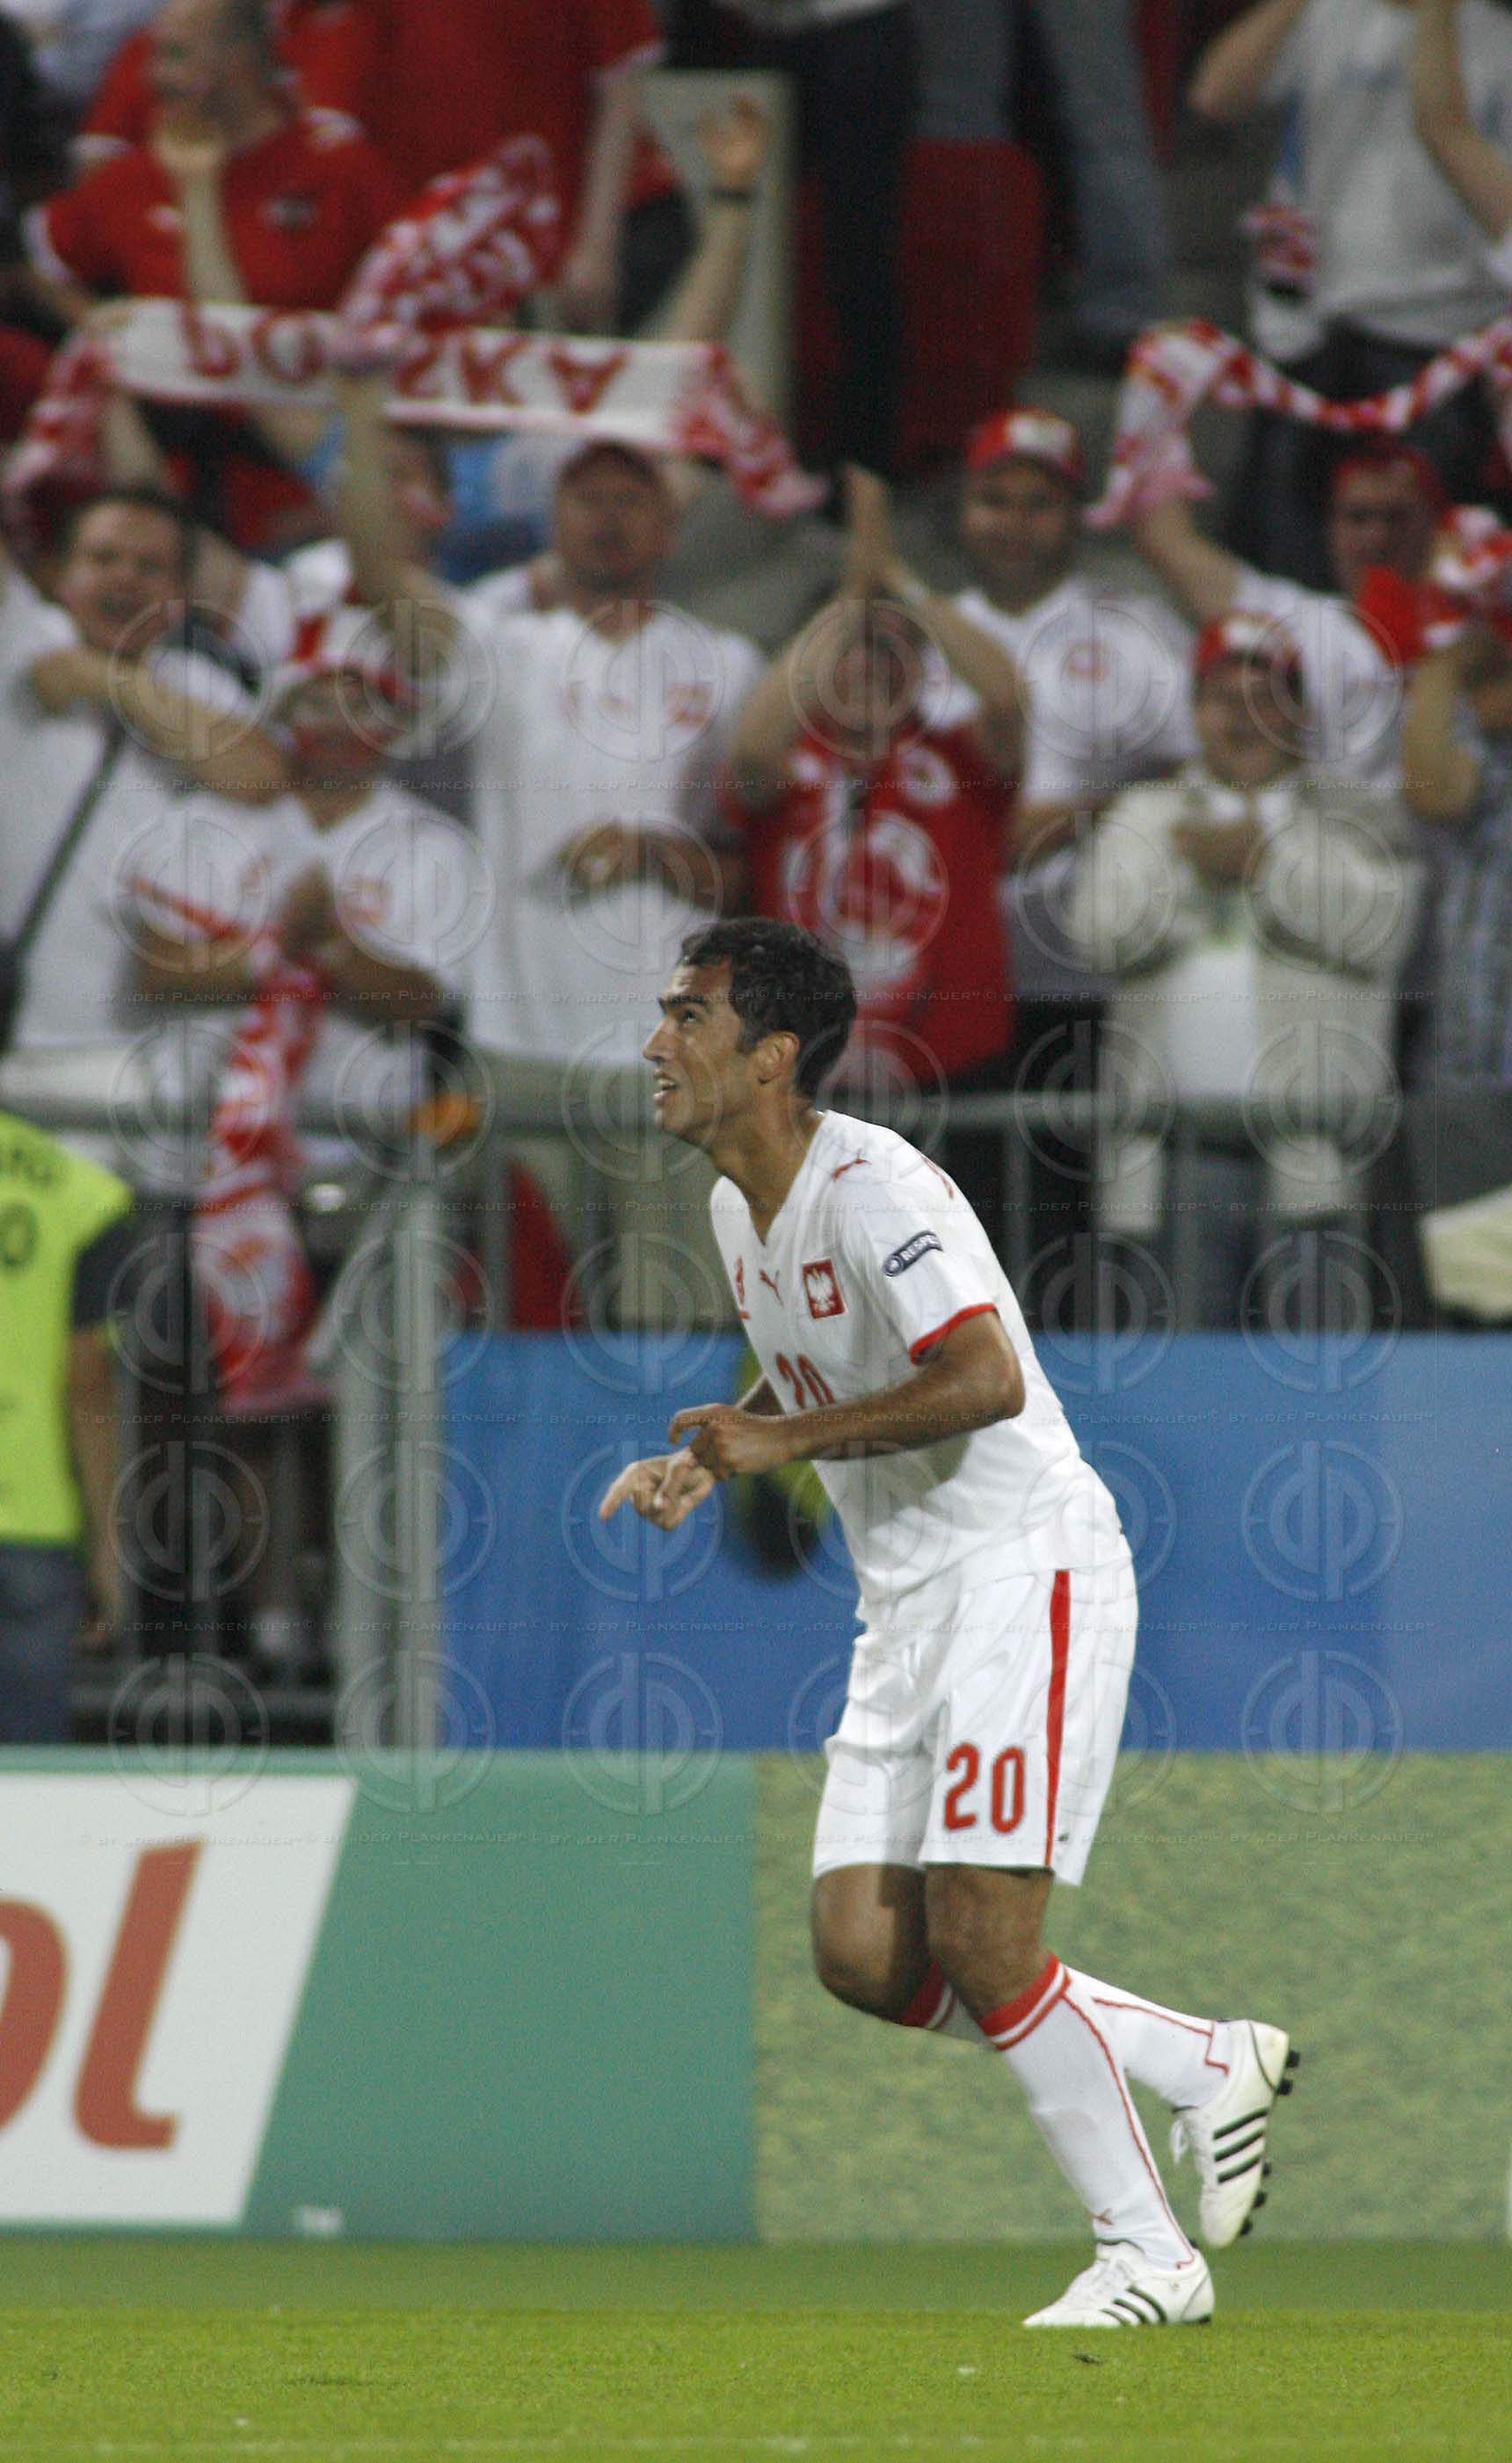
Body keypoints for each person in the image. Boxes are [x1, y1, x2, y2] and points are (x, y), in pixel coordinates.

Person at [601, 913, 1298, 2328]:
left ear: (772, 1054)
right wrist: (725, 1450)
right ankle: (1197, 2058)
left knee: (983, 1930)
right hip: (907, 1602)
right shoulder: (739, 1209)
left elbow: (983, 1377)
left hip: (1021, 1567)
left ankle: (1148, 2256)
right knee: (862, 1951)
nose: (657, 1042)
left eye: (688, 1016)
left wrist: (781, 1443)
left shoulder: (877, 1187)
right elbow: (814, 1373)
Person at [1066, 611, 1418, 1325]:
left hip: (1314, 1152)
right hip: (1176, 1152)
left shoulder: (1357, 815)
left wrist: (1266, 865)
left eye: (1267, 698)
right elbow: (1096, 934)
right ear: (1197, 711)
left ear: (1300, 712)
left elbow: (1383, 931)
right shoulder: (1144, 811)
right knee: (1184, 1373)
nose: (1244, 718)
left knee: (1317, 1368)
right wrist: (1193, 877)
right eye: (1225, 698)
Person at [24, 0, 403, 544]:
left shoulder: (338, 170)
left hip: (311, 474)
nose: (154, 76)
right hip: (165, 493)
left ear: (240, 58)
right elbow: (38, 264)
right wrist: (93, 321)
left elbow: (408, 309)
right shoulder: (134, 177)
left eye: (176, 54)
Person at [1189, 0, 1512, 588]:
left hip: (1443, 338)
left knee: (1432, 578)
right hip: (1317, 331)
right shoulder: (1327, 17)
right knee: (1284, 568)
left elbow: (1444, 130)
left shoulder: (1498, 40)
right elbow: (1214, 95)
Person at [726, 466, 1024, 1096]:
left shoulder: (959, 761)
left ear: (921, 665)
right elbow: (749, 750)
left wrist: (896, 578)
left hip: (950, 1077)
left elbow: (1007, 699)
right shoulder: (789, 760)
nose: (869, 665)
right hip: (806, 1077)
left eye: (889, 648)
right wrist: (852, 594)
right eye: (852, 647)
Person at [0, 489, 282, 1125]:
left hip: (115, 1062)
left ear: (179, 594)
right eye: (103, 558)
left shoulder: (197, 682)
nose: (125, 578)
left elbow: (259, 775)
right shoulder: (19, 637)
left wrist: (103, 678)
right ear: (58, 574)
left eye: (149, 566)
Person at [1129, 438, 1444, 791]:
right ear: (1331, 527)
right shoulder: (1300, 620)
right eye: (1358, 518)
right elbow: (1166, 541)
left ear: (1434, 524)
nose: (1377, 536)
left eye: (1397, 518)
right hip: (1327, 819)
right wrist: (1155, 409)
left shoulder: (1474, 624)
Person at [0, 1107, 133, 1742]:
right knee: (25, 1768)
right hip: (35, 1516)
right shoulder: (80, 1193)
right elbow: (88, 1382)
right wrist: (109, 1543)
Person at [1399, 614, 1512, 1318]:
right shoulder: (1491, 757)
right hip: (1474, 1075)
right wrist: (1443, 667)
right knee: (1478, 1304)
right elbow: (1432, 789)